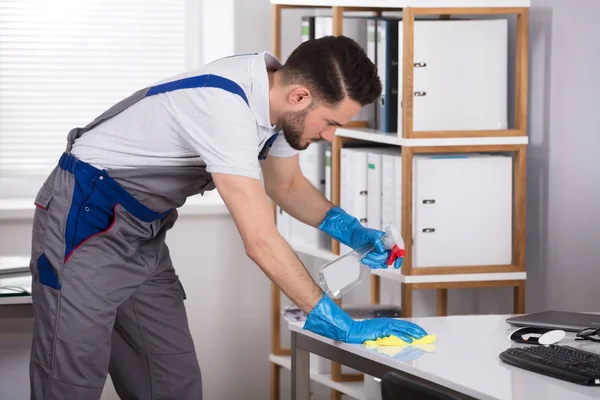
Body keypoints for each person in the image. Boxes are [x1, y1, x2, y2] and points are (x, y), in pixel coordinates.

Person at [27, 35, 427, 400]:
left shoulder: (274, 101)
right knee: (70, 382)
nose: (329, 136)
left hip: (142, 232)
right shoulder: (224, 107)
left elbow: (286, 186)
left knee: (171, 382)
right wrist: (338, 322)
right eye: (331, 123)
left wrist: (354, 232)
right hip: (84, 219)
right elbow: (261, 241)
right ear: (301, 97)